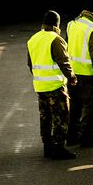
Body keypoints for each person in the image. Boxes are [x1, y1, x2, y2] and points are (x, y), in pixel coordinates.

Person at [27, 10, 77, 160]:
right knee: (61, 117)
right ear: (57, 24)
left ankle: (47, 147)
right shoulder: (56, 39)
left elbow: (30, 64)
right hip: (55, 86)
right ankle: (59, 148)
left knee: (45, 117)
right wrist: (72, 77)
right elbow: (64, 62)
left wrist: (40, 78)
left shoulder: (33, 39)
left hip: (40, 86)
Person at [66, 0, 93, 147]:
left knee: (75, 105)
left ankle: (72, 136)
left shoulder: (72, 24)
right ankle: (87, 137)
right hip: (89, 74)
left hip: (73, 72)